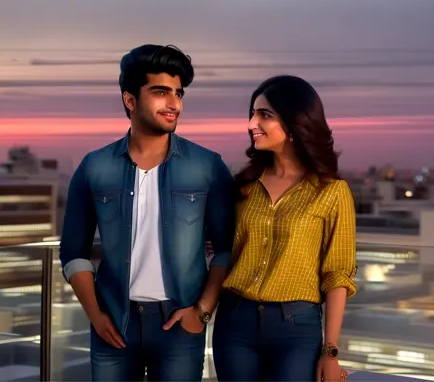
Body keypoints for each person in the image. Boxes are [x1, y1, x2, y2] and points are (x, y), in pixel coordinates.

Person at [59, 44, 234, 381]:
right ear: (130, 100)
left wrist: (203, 312)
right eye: (160, 92)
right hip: (113, 321)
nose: (174, 104)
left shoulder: (207, 166)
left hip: (181, 326)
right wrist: (95, 315)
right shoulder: (94, 166)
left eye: (179, 93)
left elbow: (226, 249)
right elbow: (73, 252)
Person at [212, 75, 357, 382]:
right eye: (252, 114)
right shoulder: (244, 186)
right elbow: (226, 249)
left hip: (296, 329)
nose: (252, 123)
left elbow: (338, 274)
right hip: (235, 322)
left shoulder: (331, 191)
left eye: (264, 115)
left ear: (294, 123)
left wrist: (330, 352)